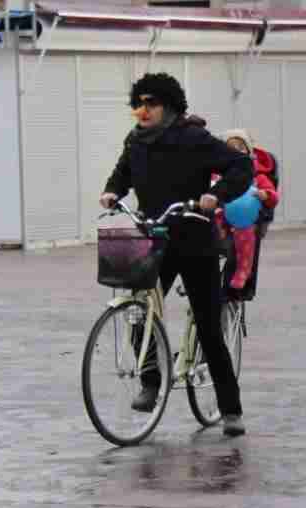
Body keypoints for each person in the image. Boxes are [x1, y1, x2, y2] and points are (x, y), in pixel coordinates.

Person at [99, 73, 253, 436]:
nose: (142, 110)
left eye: (150, 103)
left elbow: (240, 167)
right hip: (154, 238)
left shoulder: (192, 137)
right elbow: (123, 173)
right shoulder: (135, 141)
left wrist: (219, 194)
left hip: (195, 242)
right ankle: (152, 380)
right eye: (138, 103)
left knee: (209, 327)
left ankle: (231, 409)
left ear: (168, 106)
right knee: (138, 310)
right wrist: (111, 191)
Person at [218, 129, 280, 300]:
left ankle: (242, 271)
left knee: (244, 239)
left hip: (244, 222)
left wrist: (265, 195)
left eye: (240, 146)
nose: (236, 150)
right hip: (222, 218)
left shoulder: (257, 176)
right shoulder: (219, 173)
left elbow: (273, 196)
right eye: (231, 147)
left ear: (248, 151)